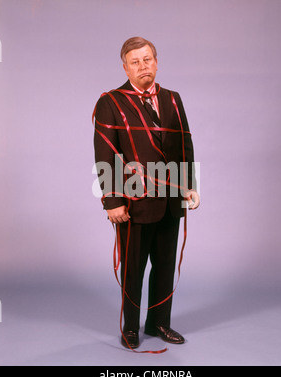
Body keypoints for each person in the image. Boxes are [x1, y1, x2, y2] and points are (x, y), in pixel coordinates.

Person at [93, 37, 200, 350]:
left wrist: (189, 185)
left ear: (156, 62)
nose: (143, 66)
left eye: (148, 59)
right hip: (134, 202)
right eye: (135, 61)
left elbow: (185, 144)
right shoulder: (110, 102)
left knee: (165, 265)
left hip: (170, 200)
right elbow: (106, 154)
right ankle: (130, 327)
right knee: (134, 268)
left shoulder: (173, 98)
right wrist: (112, 201)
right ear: (125, 66)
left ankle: (159, 322)